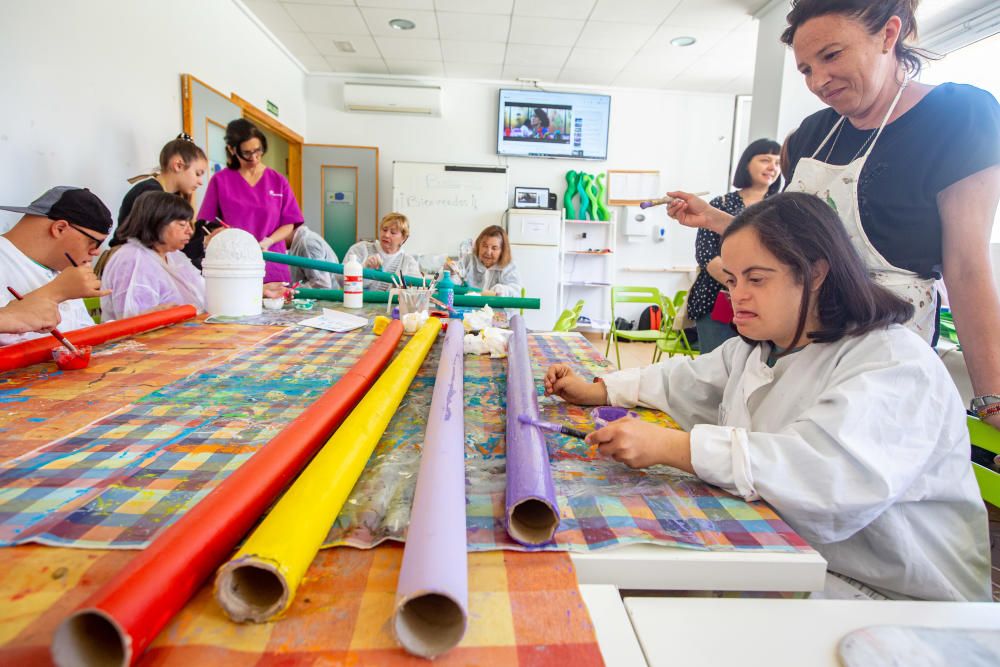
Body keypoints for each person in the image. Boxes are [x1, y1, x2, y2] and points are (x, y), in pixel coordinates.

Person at [545, 192, 990, 602]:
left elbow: (824, 476)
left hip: (890, 596)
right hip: (799, 557)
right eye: (733, 279)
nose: (737, 296)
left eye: (757, 279)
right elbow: (684, 379)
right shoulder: (764, 345)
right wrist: (600, 390)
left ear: (815, 272)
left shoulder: (893, 364)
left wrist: (673, 447)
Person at [665, 0, 1000, 428]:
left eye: (832, 55)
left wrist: (992, 400)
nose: (819, 80)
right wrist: (714, 218)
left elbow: (968, 267)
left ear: (888, 34)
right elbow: (784, 249)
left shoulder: (955, 118)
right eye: (805, 69)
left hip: (878, 363)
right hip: (792, 355)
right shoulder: (813, 134)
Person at [687, 139, 782, 354]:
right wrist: (741, 287)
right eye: (765, 160)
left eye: (777, 163)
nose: (772, 167)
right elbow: (707, 255)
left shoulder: (781, 206)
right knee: (714, 372)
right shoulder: (721, 204)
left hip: (767, 305)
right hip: (715, 302)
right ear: (747, 163)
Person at [0, 186, 112, 345]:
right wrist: (55, 293)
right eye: (93, 242)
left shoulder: (62, 271)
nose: (96, 252)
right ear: (59, 228)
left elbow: (82, 337)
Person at [197, 119, 304, 284]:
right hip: (235, 265)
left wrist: (269, 241)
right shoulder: (221, 180)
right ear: (232, 150)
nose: (254, 158)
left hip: (272, 262)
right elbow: (207, 223)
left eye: (258, 151)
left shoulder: (278, 180)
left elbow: (289, 222)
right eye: (247, 153)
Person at [100, 192, 206, 320]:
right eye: (182, 224)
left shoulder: (174, 256)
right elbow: (132, 322)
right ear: (158, 222)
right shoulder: (132, 259)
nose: (190, 231)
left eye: (190, 224)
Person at [0, 267, 107, 336]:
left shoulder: (61, 269)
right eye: (93, 242)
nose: (96, 252)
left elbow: (86, 329)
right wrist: (11, 316)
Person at [344, 213, 420, 291]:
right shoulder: (360, 249)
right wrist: (364, 267)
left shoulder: (408, 262)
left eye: (393, 232)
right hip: (356, 301)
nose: (386, 235)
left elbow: (417, 289)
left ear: (403, 238)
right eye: (384, 230)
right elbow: (340, 279)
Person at [447, 225, 522, 297]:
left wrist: (503, 290)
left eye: (494, 248)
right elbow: (453, 285)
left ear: (502, 251)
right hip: (468, 307)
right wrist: (451, 273)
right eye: (485, 246)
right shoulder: (468, 260)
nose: (488, 252)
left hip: (496, 309)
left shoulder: (508, 266)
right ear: (479, 245)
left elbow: (516, 292)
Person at [288, 224, 340, 289]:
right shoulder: (297, 243)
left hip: (324, 297)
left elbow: (321, 284)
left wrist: (292, 288)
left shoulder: (307, 244)